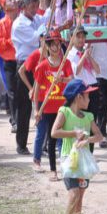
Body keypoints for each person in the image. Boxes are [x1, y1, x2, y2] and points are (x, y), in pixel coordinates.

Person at [51, 79, 103, 214]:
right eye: (87, 96)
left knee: (80, 196)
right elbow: (54, 132)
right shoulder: (64, 112)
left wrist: (86, 139)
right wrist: (74, 133)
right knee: (73, 193)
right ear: (78, 97)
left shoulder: (88, 116)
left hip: (83, 163)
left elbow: (99, 136)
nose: (89, 99)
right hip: (69, 159)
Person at [11, 0, 55, 155]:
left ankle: (44, 143)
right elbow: (35, 38)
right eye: (32, 6)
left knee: (44, 103)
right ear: (24, 7)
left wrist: (52, 2)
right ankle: (21, 144)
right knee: (24, 107)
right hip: (25, 65)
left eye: (37, 6)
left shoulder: (36, 19)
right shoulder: (19, 24)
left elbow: (47, 19)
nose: (35, 9)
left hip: (41, 63)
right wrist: (45, 27)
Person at [32, 30, 73, 177]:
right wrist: (37, 110)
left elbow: (71, 78)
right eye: (52, 45)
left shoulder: (65, 63)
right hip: (47, 108)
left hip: (62, 108)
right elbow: (36, 90)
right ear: (48, 46)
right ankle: (53, 170)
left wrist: (61, 80)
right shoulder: (42, 66)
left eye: (58, 44)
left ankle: (66, 167)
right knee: (50, 139)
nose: (56, 48)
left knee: (64, 139)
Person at [0, 0, 19, 132]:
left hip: (22, 61)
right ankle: (14, 120)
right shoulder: (1, 24)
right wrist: (12, 41)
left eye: (14, 0)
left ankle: (19, 118)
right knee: (12, 92)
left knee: (22, 92)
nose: (13, 2)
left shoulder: (22, 20)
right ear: (5, 7)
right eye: (10, 0)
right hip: (9, 62)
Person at [67, 25, 101, 120]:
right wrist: (83, 56)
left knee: (93, 115)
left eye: (83, 37)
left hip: (93, 85)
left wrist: (89, 56)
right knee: (82, 116)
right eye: (78, 37)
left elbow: (98, 70)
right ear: (72, 38)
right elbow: (76, 71)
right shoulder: (70, 54)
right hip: (81, 87)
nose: (81, 39)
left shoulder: (87, 52)